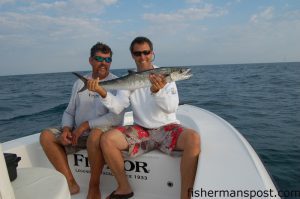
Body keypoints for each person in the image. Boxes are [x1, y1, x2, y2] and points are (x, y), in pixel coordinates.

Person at [87, 36, 201, 199]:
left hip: (167, 127)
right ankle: (124, 187)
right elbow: (118, 106)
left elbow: (171, 108)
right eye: (138, 53)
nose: (142, 57)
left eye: (146, 52)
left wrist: (158, 92)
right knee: (107, 139)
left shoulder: (164, 76)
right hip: (142, 130)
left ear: (152, 53)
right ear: (132, 55)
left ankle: (185, 196)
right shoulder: (131, 79)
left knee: (193, 139)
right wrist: (101, 91)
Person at [39, 42, 124, 199]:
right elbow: (69, 111)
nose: (104, 63)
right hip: (79, 134)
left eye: (108, 59)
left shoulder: (118, 83)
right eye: (99, 58)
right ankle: (70, 182)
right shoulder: (79, 82)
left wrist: (86, 126)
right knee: (46, 136)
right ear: (91, 60)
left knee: (95, 134)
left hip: (102, 136)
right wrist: (65, 129)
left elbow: (116, 117)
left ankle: (94, 185)